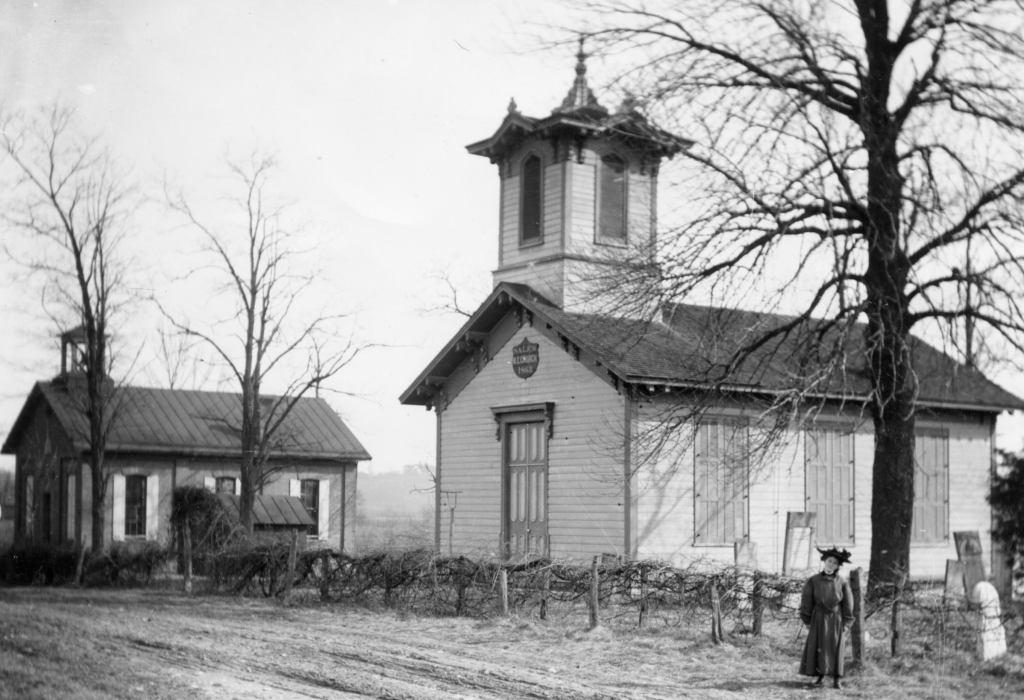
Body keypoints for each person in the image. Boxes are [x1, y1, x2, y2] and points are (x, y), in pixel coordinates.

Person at [799, 547, 854, 689]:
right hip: (818, 618)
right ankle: (820, 677)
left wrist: (847, 622)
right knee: (819, 646)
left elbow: (848, 603)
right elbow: (806, 601)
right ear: (824, 561)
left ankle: (837, 679)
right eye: (829, 561)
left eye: (835, 563)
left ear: (837, 566)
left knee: (836, 647)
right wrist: (807, 620)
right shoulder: (813, 580)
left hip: (836, 618)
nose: (831, 565)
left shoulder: (841, 582)